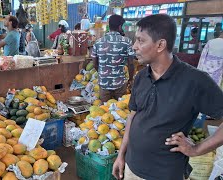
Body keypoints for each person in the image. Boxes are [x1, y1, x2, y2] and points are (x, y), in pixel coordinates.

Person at [112, 14, 223, 180]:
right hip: (132, 168)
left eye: (140, 40)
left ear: (160, 45)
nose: (134, 46)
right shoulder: (141, 77)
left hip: (165, 174)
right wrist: (121, 155)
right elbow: (133, 116)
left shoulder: (195, 81)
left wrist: (196, 150)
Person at [91, 15, 135, 102]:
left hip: (103, 83)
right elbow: (131, 63)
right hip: (120, 83)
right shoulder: (127, 42)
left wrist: (102, 73)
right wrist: (130, 78)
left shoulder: (98, 42)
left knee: (104, 111)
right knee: (120, 110)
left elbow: (94, 63)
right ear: (120, 26)